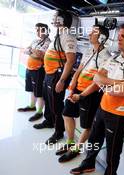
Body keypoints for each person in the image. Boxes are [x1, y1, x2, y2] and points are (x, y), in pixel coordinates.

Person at [70, 24, 124, 175]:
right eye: (118, 35)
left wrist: (110, 83)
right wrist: (117, 83)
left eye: (123, 36)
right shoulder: (113, 58)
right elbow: (97, 77)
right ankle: (88, 164)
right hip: (103, 107)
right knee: (93, 140)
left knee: (113, 150)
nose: (119, 38)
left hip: (118, 115)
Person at [55, 24, 111, 163]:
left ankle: (76, 149)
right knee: (66, 114)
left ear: (102, 38)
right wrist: (73, 82)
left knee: (87, 125)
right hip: (77, 90)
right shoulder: (88, 50)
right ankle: (70, 142)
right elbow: (79, 68)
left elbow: (98, 81)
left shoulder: (107, 57)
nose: (90, 34)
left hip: (90, 95)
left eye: (93, 32)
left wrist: (82, 95)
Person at [33, 9, 77, 145]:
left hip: (57, 76)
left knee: (56, 105)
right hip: (49, 73)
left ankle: (58, 132)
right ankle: (48, 121)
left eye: (55, 17)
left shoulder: (68, 37)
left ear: (62, 20)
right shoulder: (58, 35)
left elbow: (70, 61)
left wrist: (62, 81)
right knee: (48, 99)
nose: (52, 19)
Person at [18, 23, 51, 122]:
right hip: (30, 68)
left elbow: (39, 55)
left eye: (39, 30)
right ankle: (32, 106)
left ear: (45, 31)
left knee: (39, 92)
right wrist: (33, 51)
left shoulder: (48, 42)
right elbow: (26, 50)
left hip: (38, 70)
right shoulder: (36, 40)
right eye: (36, 30)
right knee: (32, 89)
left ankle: (39, 111)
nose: (37, 32)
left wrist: (32, 51)